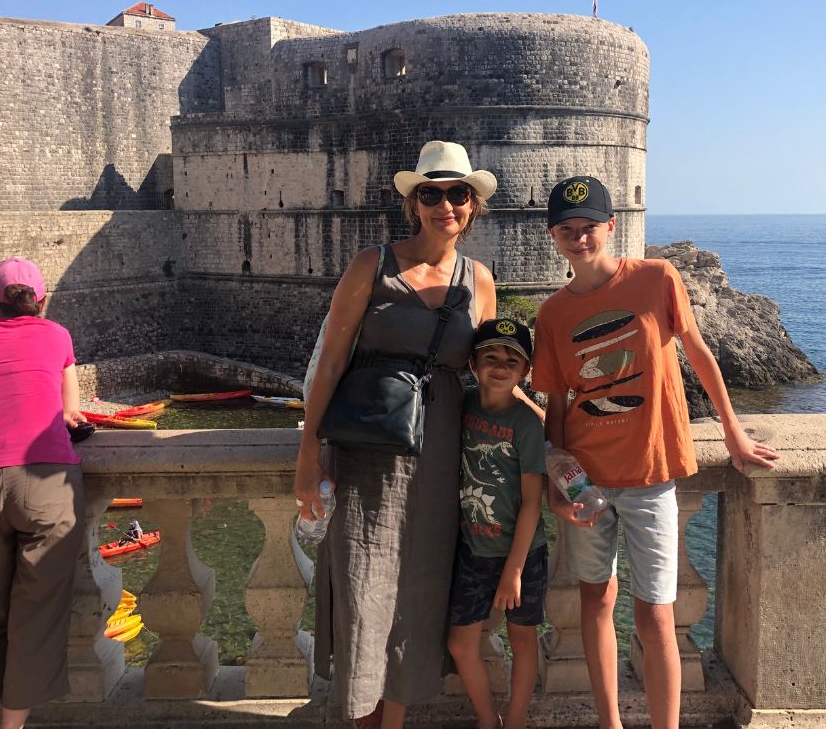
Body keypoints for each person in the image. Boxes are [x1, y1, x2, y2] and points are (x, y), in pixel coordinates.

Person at [531, 176, 779, 729]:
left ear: (611, 226)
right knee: (595, 604)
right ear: (554, 237)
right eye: (567, 230)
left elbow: (698, 352)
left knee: (657, 615)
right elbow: (555, 401)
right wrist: (556, 475)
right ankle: (610, 724)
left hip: (651, 474)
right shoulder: (552, 314)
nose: (580, 239)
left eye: (589, 227)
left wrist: (732, 430)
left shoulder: (655, 278)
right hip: (586, 480)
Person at [296, 141, 504, 729]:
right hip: (367, 452)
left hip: (440, 456)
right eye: (432, 194)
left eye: (457, 194)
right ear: (415, 203)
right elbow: (331, 363)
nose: (446, 205)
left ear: (473, 205)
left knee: (417, 593)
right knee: (365, 590)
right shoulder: (373, 264)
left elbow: (492, 372)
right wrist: (308, 456)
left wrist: (545, 426)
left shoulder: (480, 282)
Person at [0, 257, 87, 729]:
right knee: (36, 621)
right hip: (48, 481)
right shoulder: (57, 336)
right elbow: (71, 411)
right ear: (42, 300)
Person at [447, 319, 547, 729]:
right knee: (460, 643)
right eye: (491, 357)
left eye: (512, 359)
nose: (501, 365)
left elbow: (531, 503)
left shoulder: (526, 423)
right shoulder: (464, 403)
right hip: (473, 550)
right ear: (473, 365)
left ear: (525, 372)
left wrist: (514, 571)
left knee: (523, 641)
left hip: (522, 554)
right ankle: (490, 720)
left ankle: (517, 720)